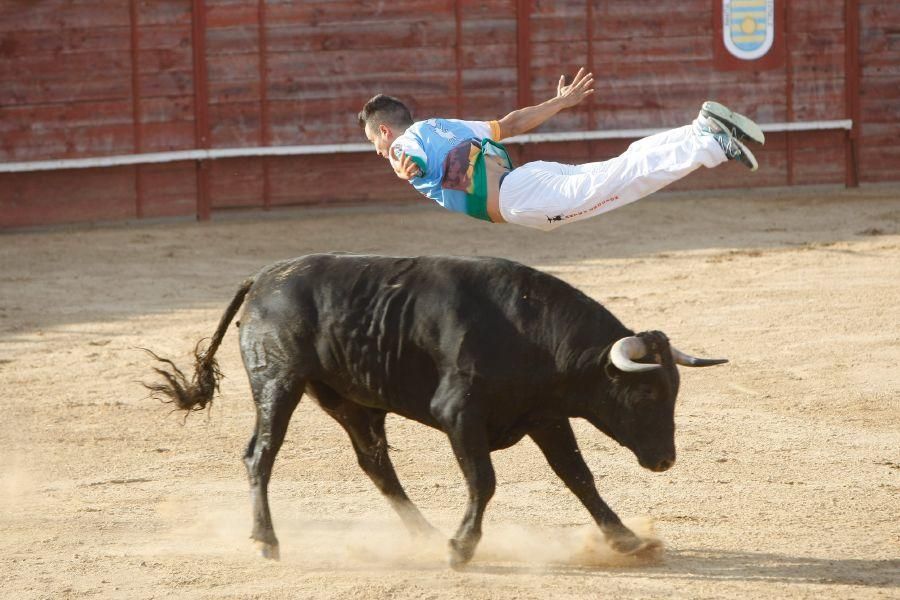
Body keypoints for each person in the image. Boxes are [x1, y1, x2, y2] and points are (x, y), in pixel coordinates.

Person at [358, 68, 765, 231]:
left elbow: (403, 162)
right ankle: (700, 128)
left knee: (625, 179)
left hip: (521, 199)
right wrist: (560, 103)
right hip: (527, 177)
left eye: (375, 141)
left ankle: (711, 143)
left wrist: (405, 167)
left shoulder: (403, 144)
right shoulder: (440, 125)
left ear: (385, 130)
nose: (378, 151)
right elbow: (513, 123)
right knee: (620, 169)